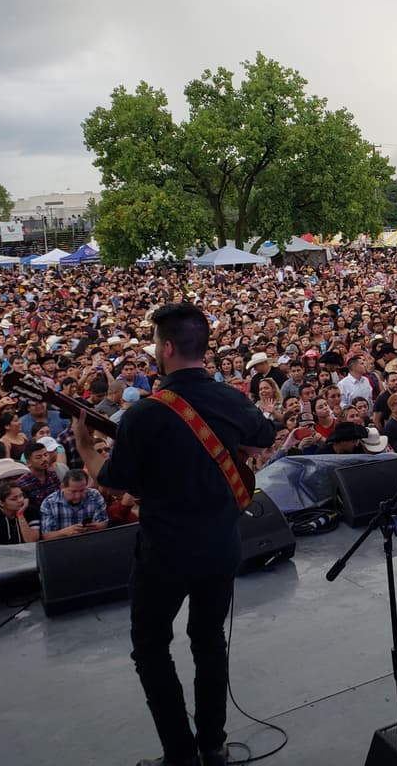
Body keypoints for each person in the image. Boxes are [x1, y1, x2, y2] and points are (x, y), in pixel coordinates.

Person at [75, 302, 275, 766]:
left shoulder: (146, 414)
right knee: (208, 641)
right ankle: (214, 745)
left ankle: (180, 755)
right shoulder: (230, 397)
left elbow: (113, 480)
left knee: (150, 647)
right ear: (202, 347)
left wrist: (86, 447)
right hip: (222, 544)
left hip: (165, 551)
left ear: (165, 349)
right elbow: (261, 437)